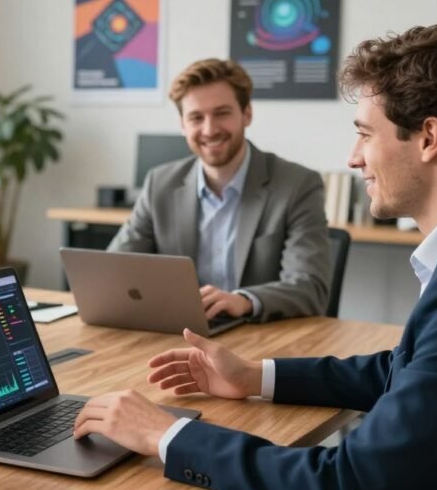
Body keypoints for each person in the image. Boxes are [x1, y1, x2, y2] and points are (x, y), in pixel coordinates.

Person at [73, 22, 437, 490]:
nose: (353, 158)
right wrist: (258, 377)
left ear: (430, 138)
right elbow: (411, 368)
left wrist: (168, 433)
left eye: (365, 134)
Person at [108, 58, 329, 323]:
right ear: (182, 125)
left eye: (222, 113)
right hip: (178, 334)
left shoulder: (297, 184)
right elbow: (114, 270)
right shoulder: (160, 183)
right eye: (196, 117)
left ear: (246, 114)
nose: (210, 129)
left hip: (258, 339)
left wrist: (244, 300)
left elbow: (310, 288)